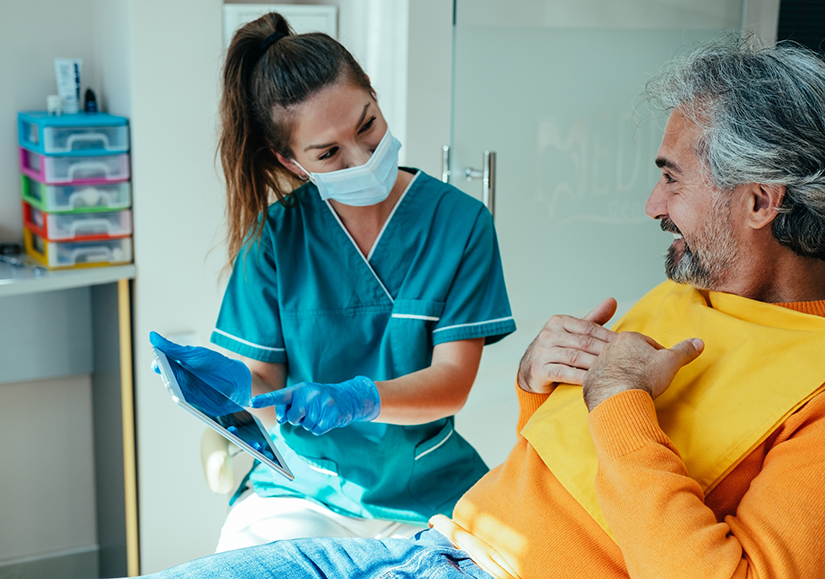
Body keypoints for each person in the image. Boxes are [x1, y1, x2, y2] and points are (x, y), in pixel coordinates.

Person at [136, 36, 825, 578]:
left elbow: (670, 515)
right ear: (290, 162)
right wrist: (537, 383)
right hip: (444, 540)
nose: (649, 206)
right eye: (327, 150)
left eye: (669, 178)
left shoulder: (810, 389)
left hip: (456, 541)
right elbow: (563, 459)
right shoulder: (687, 291)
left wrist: (616, 401)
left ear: (760, 201)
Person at [149, 12, 516, 551]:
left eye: (367, 125)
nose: (363, 158)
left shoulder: (461, 224)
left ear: (374, 94)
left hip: (428, 489)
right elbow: (265, 387)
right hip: (302, 492)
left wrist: (358, 398)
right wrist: (230, 390)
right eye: (328, 153)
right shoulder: (275, 239)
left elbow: (453, 383)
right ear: (292, 162)